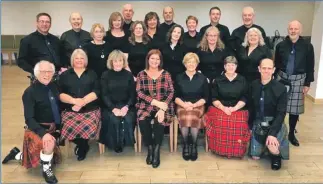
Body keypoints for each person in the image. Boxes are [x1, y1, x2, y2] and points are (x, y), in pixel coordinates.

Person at [2, 61, 62, 184]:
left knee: (48, 156)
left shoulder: (55, 86)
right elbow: (29, 119)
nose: (46, 74)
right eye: (43, 72)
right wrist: (43, 134)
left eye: (49, 71)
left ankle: (16, 154)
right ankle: (47, 171)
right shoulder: (29, 93)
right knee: (49, 144)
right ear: (36, 74)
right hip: (37, 128)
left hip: (53, 127)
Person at [274, 20, 315, 147]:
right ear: (288, 29)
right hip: (282, 78)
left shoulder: (308, 46)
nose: (293, 31)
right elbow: (277, 64)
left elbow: (310, 65)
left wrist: (307, 83)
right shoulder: (280, 45)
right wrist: (274, 80)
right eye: (291, 28)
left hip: (299, 79)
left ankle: (291, 133)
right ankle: (277, 130)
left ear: (300, 30)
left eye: (296, 29)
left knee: (294, 109)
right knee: (279, 106)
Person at [59, 49, 101, 161]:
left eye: (82, 58)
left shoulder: (92, 73)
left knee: (88, 124)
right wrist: (74, 101)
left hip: (90, 108)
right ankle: (83, 146)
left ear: (85, 60)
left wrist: (82, 101)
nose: (79, 60)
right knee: (67, 126)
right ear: (72, 60)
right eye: (76, 58)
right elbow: (60, 93)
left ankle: (82, 146)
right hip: (70, 108)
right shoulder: (64, 75)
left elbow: (97, 91)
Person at [204, 56, 250, 158]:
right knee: (221, 120)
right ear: (224, 66)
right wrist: (224, 108)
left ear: (236, 66)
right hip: (220, 108)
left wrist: (234, 108)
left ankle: (236, 151)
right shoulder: (218, 79)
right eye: (228, 65)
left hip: (238, 108)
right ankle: (219, 149)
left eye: (233, 65)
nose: (230, 67)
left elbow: (245, 97)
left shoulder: (242, 80)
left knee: (239, 122)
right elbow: (214, 98)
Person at [136, 49, 175, 168]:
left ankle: (157, 150)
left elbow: (171, 92)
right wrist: (154, 102)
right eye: (152, 58)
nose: (155, 61)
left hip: (164, 106)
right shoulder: (141, 74)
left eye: (157, 59)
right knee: (142, 119)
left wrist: (162, 108)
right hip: (146, 105)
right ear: (148, 59)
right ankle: (150, 148)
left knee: (160, 120)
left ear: (160, 61)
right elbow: (139, 92)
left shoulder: (166, 74)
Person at [249, 58, 289, 171]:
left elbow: (281, 113)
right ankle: (263, 148)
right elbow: (251, 107)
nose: (266, 71)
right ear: (259, 69)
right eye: (264, 68)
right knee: (255, 156)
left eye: (269, 68)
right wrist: (250, 126)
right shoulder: (253, 85)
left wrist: (272, 134)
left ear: (273, 70)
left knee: (272, 146)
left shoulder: (281, 89)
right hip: (259, 122)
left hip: (274, 122)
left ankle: (276, 155)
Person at [174, 53, 209, 161]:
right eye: (189, 62)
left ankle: (193, 145)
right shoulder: (179, 77)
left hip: (198, 104)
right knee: (185, 116)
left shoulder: (202, 78)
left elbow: (205, 98)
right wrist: (184, 105)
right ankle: (185, 144)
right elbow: (175, 97)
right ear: (185, 64)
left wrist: (194, 105)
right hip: (182, 104)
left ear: (197, 63)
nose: (191, 64)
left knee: (193, 116)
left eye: (193, 62)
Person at [100, 50, 136, 153]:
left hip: (126, 105)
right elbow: (104, 95)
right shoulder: (105, 75)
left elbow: (132, 94)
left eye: (120, 60)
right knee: (114, 119)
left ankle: (125, 141)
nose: (118, 63)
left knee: (128, 118)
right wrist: (113, 108)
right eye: (115, 61)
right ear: (111, 62)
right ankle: (116, 144)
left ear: (124, 61)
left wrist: (126, 107)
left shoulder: (128, 75)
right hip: (110, 105)